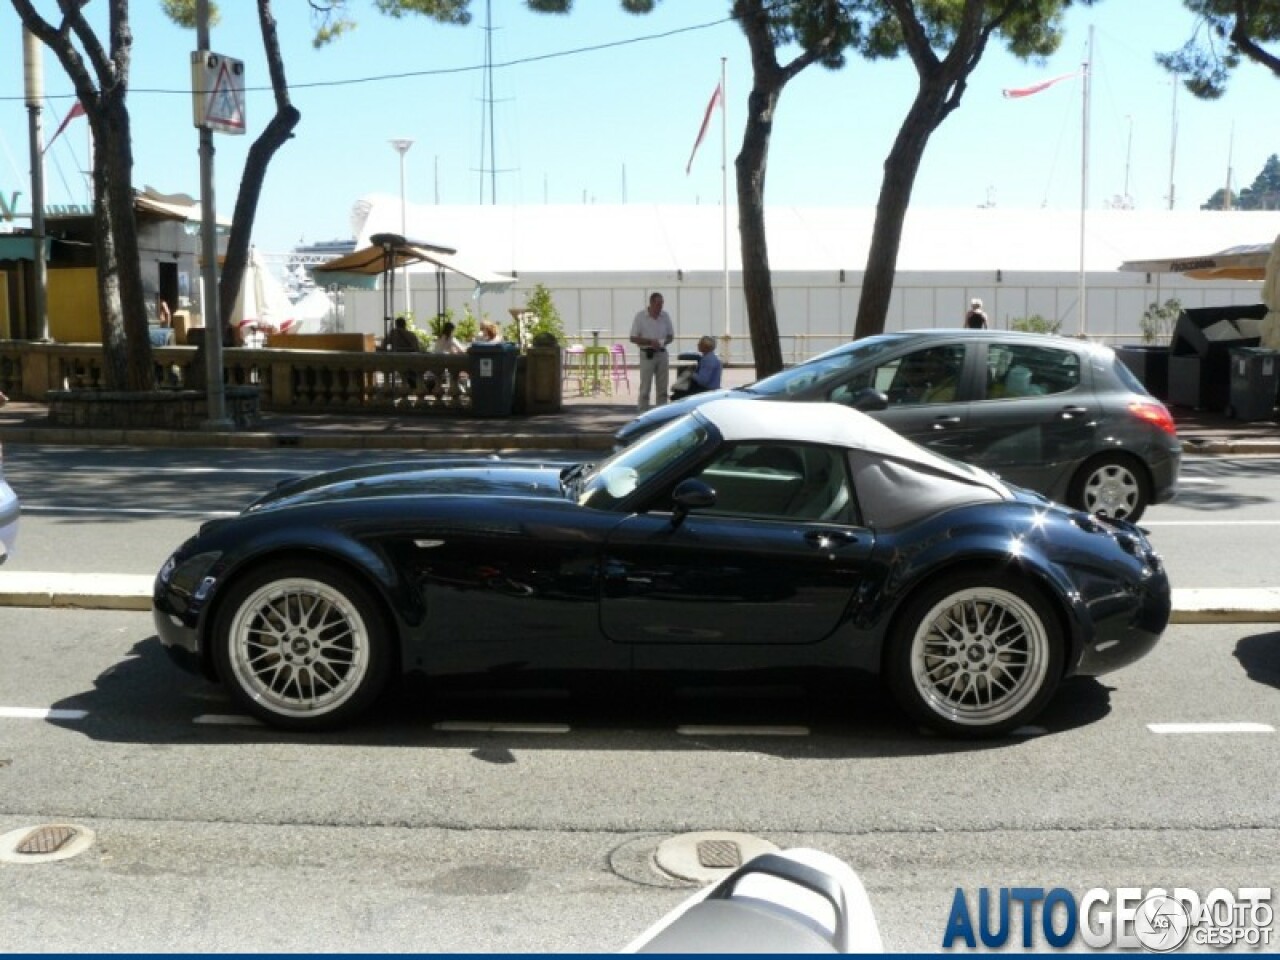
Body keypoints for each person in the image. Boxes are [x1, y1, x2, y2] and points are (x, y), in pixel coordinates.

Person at [630, 291, 674, 411]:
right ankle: (643, 414)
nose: (660, 307)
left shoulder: (665, 316)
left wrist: (663, 342)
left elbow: (671, 336)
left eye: (662, 304)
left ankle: (661, 414)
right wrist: (650, 342)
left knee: (663, 388)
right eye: (658, 304)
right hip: (647, 354)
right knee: (645, 388)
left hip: (662, 353)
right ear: (651, 303)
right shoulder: (640, 317)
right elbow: (633, 337)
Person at [672, 335, 722, 400]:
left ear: (705, 346)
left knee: (679, 393)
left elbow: (703, 381)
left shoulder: (708, 360)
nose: (697, 345)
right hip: (712, 388)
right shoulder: (710, 358)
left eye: (700, 344)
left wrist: (691, 373)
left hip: (707, 390)